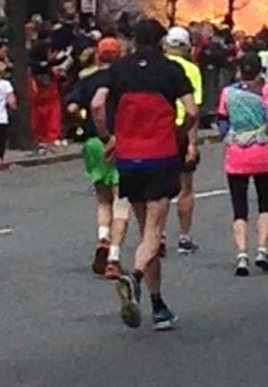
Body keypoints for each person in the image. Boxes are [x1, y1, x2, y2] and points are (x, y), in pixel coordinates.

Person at [91, 20, 198, 331]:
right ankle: (134, 277)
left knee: (144, 232)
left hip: (128, 156)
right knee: (155, 232)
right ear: (162, 41)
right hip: (161, 155)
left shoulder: (119, 69)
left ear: (134, 41)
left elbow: (98, 103)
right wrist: (178, 134)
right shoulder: (171, 70)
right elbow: (191, 111)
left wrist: (108, 137)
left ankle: (158, 304)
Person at [69, 37, 128, 280]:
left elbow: (72, 107)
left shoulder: (87, 79)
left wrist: (81, 125)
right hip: (119, 141)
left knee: (103, 199)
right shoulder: (124, 80)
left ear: (98, 55)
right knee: (121, 200)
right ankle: (114, 257)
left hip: (92, 142)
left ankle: (103, 237)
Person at [218, 53, 268, 276]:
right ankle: (262, 249)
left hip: (236, 153)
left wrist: (232, 133)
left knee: (239, 207)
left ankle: (241, 255)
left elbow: (222, 119)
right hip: (261, 152)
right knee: (265, 203)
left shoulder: (228, 92)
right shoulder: (265, 90)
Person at [164, 26, 202, 255]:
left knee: (159, 187)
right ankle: (184, 237)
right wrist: (192, 142)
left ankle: (158, 235)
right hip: (182, 129)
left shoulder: (158, 67)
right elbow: (193, 110)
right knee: (185, 187)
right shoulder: (192, 70)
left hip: (160, 130)